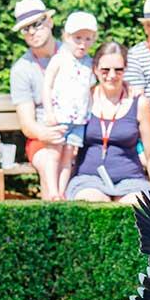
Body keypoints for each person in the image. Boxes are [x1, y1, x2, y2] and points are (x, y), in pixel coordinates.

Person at [66, 42, 150, 203]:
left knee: (135, 208)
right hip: (88, 178)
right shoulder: (84, 98)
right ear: (95, 69)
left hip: (131, 179)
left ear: (125, 69)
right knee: (92, 202)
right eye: (105, 70)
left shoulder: (139, 103)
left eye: (118, 70)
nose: (111, 75)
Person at [9, 0, 67, 200]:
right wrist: (48, 134)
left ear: (49, 22)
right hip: (42, 138)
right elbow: (28, 125)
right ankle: (53, 217)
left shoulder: (72, 54)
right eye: (26, 29)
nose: (32, 32)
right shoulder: (22, 70)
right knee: (48, 162)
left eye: (36, 24)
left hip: (77, 133)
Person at [42, 11, 98, 199]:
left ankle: (61, 191)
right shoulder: (59, 59)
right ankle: (51, 191)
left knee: (69, 155)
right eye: (78, 38)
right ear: (66, 37)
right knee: (54, 153)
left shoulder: (89, 63)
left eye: (88, 39)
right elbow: (47, 86)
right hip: (59, 116)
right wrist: (49, 112)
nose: (83, 43)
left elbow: (91, 91)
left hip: (79, 119)